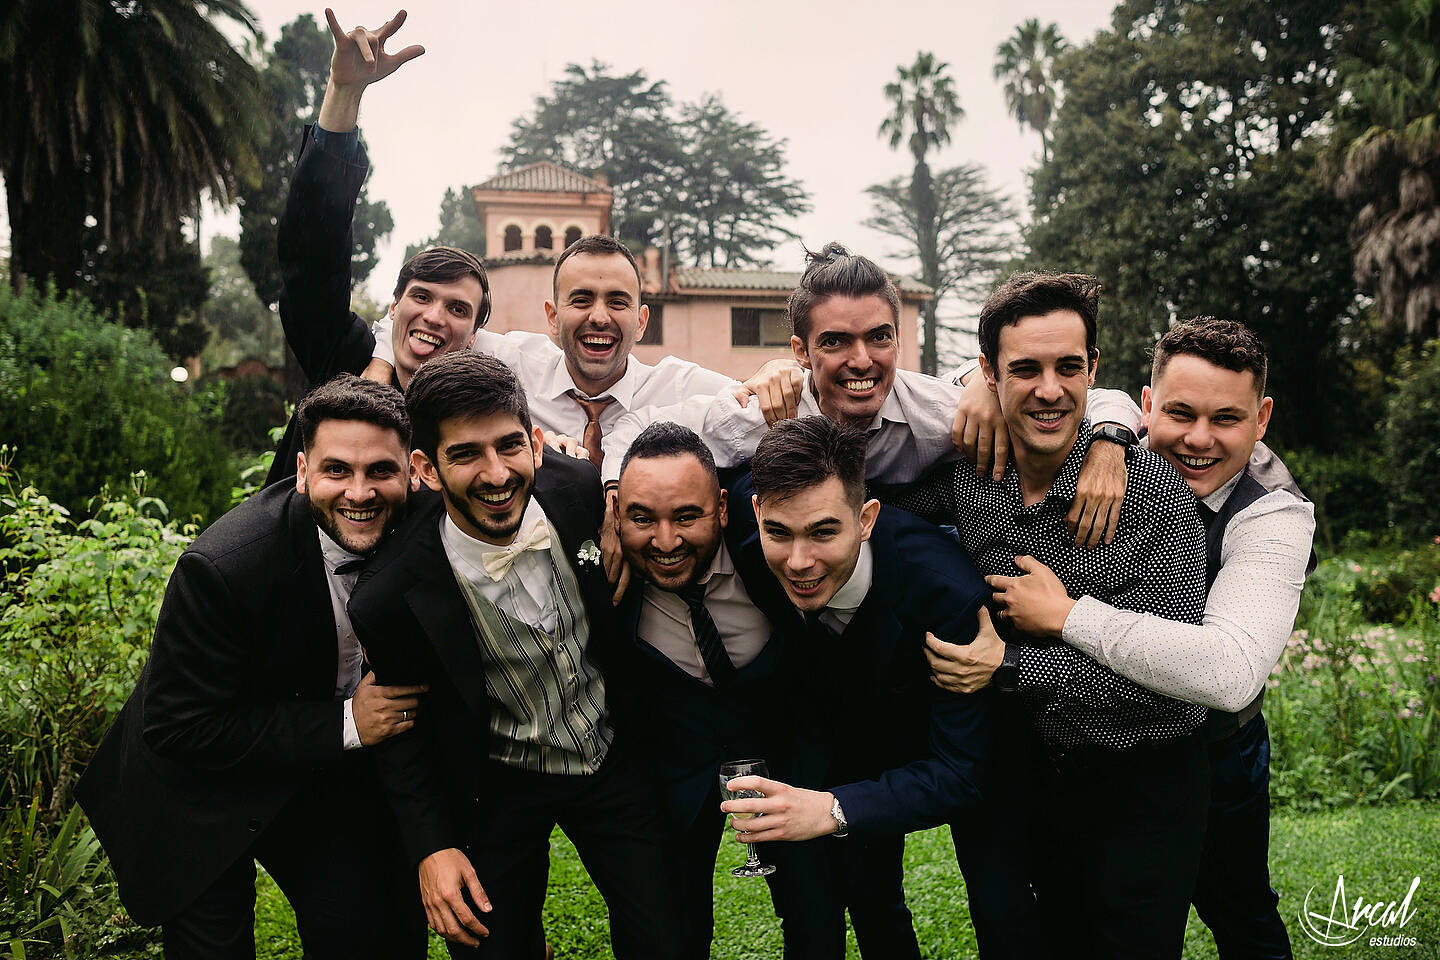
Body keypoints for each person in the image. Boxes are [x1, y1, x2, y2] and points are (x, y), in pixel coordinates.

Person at [892, 271, 1211, 959]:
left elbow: (1174, 685)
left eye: (1069, 367)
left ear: (1094, 370)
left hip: (1142, 784)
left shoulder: (1155, 497)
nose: (1049, 389)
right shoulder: (971, 476)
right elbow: (869, 520)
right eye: (1024, 369)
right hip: (1021, 777)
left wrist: (1012, 665)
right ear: (988, 373)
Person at [979, 317, 1314, 959]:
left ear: (1262, 417)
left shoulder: (1274, 512)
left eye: (1227, 420)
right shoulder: (1116, 448)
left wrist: (1067, 616)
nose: (1198, 440)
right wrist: (977, 387)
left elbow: (1230, 671)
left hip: (1219, 748)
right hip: (1107, 752)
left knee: (1238, 907)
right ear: (1147, 405)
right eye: (1180, 413)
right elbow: (1052, 383)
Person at [77, 375, 429, 959]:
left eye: (380, 472)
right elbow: (177, 727)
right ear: (301, 472)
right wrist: (347, 724)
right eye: (337, 470)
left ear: (412, 471)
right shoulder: (223, 567)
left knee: (365, 930)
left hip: (315, 773)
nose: (360, 492)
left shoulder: (419, 528)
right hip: (198, 788)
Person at [347, 351, 681, 958]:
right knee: (488, 947)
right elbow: (402, 728)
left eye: (509, 446)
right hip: (494, 782)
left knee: (666, 935)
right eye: (466, 454)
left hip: (612, 756)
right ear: (424, 467)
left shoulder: (582, 492)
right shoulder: (388, 595)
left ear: (534, 441)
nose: (498, 474)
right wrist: (433, 845)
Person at [719, 416, 993, 960]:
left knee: (877, 902)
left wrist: (835, 810)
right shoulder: (750, 536)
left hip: (888, 751)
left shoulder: (946, 597)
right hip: (797, 738)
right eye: (780, 532)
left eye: (824, 532)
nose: (798, 563)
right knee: (803, 910)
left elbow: (962, 772)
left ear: (866, 519)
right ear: (756, 514)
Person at [263, 9, 488, 487]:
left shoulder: (474, 424)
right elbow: (314, 254)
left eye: (458, 308)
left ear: (474, 334)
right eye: (422, 296)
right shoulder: (343, 361)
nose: (433, 316)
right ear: (394, 306)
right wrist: (344, 93)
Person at [610, 421, 789, 958]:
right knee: (666, 934)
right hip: (671, 781)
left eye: (687, 516)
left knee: (818, 911)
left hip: (791, 766)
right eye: (643, 519)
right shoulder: (605, 579)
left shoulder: (773, 554)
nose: (665, 542)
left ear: (723, 510)